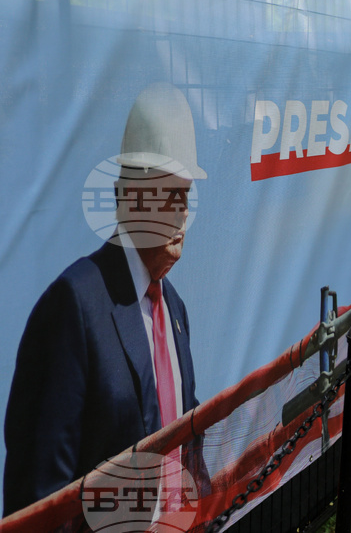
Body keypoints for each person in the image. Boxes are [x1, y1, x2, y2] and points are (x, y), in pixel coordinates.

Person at [4, 85, 207, 515]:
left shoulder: (175, 310)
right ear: (129, 197)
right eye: (167, 191)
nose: (180, 212)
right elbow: (41, 498)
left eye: (185, 194)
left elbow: (189, 448)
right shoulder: (74, 307)